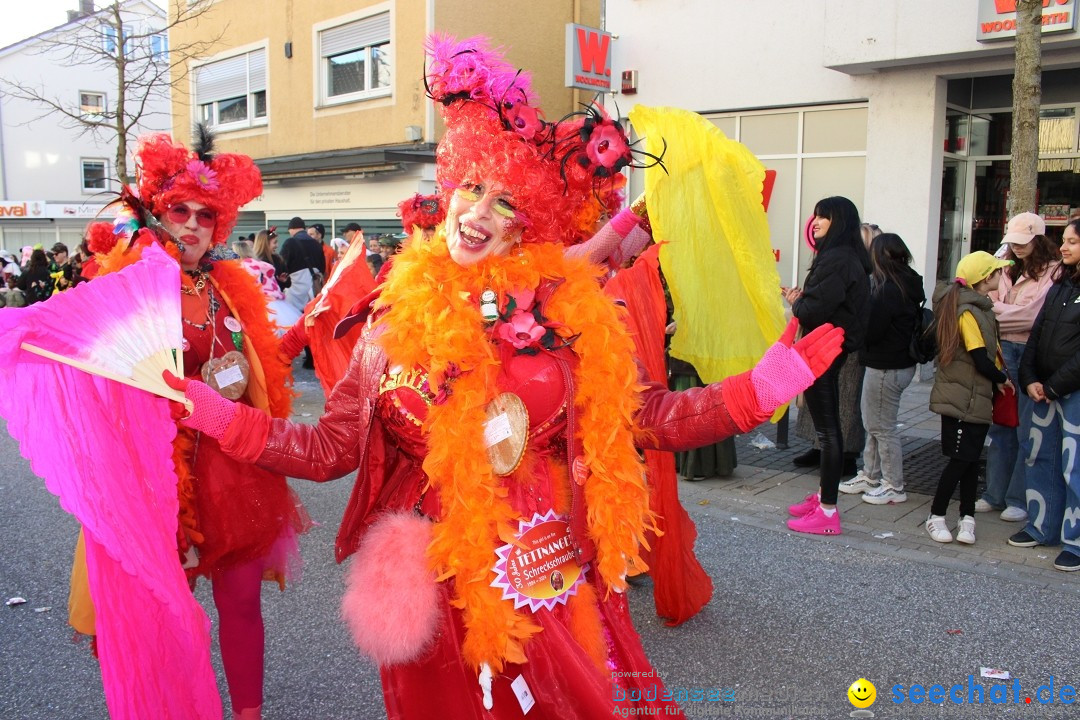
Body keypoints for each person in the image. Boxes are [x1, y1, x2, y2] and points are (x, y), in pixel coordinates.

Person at [163, 35, 844, 719]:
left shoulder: (569, 315)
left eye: (505, 203)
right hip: (434, 582)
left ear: (528, 226)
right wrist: (219, 415)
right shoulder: (387, 323)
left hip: (541, 571)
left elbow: (650, 416)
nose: (479, 214)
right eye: (472, 188)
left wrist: (755, 393)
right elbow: (329, 451)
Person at [78, 129, 308, 719]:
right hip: (159, 475)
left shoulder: (227, 286)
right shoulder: (127, 285)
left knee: (241, 606)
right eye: (180, 209)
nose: (193, 224)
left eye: (207, 214)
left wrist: (299, 340)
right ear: (157, 211)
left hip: (232, 467)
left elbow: (258, 371)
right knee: (165, 611)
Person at [783, 196, 871, 535]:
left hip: (824, 350)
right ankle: (823, 496)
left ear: (840, 221)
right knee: (828, 429)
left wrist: (797, 302)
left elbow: (815, 309)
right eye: (816, 215)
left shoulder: (837, 259)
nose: (815, 221)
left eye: (824, 216)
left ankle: (828, 511)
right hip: (831, 348)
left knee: (829, 432)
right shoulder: (846, 257)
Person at [975, 212, 1060, 522]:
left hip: (1028, 351)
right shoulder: (1004, 268)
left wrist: (998, 309)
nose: (1018, 247)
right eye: (1013, 241)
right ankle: (994, 493)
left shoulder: (1053, 271)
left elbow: (1033, 317)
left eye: (1023, 242)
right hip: (1000, 348)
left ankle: (1019, 498)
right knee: (1000, 426)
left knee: (1027, 427)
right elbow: (983, 299)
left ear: (1038, 239)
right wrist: (1007, 310)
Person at [925, 251, 1011, 545]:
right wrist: (1003, 379)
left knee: (971, 460)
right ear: (985, 279)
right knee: (961, 460)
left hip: (973, 395)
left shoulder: (979, 307)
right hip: (962, 396)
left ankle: (967, 517)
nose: (1002, 275)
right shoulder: (968, 311)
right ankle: (936, 515)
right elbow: (980, 358)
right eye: (998, 272)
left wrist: (995, 378)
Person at [1011, 218, 1080, 571]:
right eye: (1065, 240)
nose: (1064, 247)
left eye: (1073, 241)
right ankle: (1042, 526)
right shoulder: (1063, 282)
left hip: (1070, 391)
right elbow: (1038, 333)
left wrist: (1054, 385)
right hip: (1043, 387)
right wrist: (1029, 376)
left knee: (1075, 466)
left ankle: (1075, 541)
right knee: (1040, 456)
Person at [839, 233, 923, 504]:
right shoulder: (906, 282)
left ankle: (893, 485)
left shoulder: (888, 289)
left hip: (886, 366)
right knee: (874, 423)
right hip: (895, 364)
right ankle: (870, 475)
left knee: (882, 426)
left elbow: (873, 331)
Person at [279, 216, 325, 313]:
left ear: (291, 229)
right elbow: (322, 267)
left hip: (294, 291)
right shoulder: (316, 244)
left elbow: (282, 266)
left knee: (294, 319)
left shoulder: (290, 243)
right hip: (313, 289)